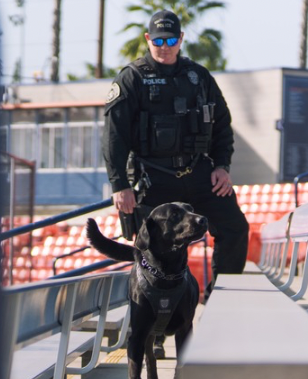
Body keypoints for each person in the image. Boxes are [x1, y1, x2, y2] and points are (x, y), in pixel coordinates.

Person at [102, 10, 250, 358]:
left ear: (180, 40)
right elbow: (114, 138)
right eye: (158, 40)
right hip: (155, 178)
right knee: (151, 253)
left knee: (235, 227)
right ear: (147, 39)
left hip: (199, 173)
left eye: (171, 40)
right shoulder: (132, 78)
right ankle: (152, 330)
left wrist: (223, 167)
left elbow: (223, 127)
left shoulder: (199, 77)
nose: (165, 47)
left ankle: (220, 302)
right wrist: (119, 184)